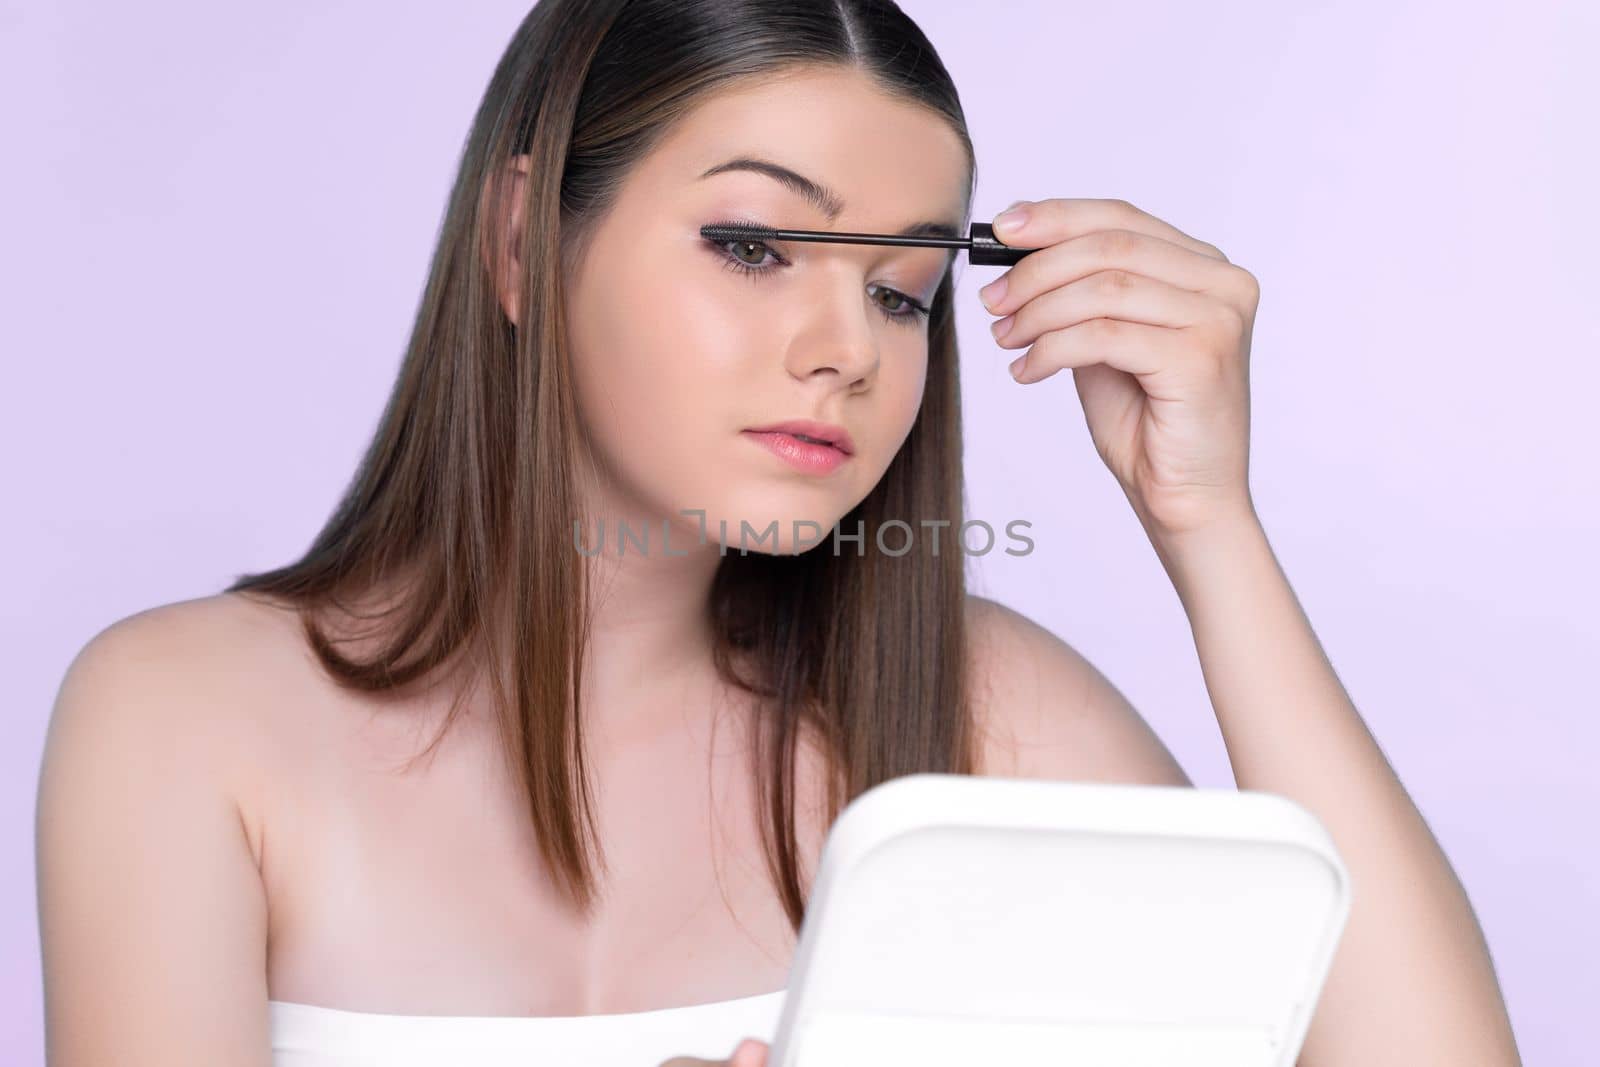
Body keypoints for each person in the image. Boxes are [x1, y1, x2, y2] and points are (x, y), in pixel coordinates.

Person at [34, 0, 1522, 1065]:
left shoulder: (978, 712)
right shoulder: (189, 719)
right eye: (756, 246)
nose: (847, 351)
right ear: (515, 240)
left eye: (901, 291)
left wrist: (1210, 526)